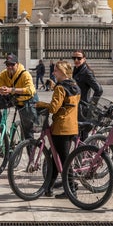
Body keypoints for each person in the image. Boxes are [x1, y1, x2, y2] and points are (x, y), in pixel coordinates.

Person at [36, 60, 80, 198]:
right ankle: (48, 187)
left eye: (55, 70)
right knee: (55, 157)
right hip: (72, 126)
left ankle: (71, 189)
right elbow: (68, 103)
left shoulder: (60, 88)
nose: (53, 72)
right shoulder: (74, 85)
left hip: (60, 127)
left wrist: (40, 104)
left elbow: (54, 108)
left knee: (64, 159)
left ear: (62, 72)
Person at [0, 54, 37, 141]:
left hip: (26, 100)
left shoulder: (25, 74)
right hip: (13, 98)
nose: (10, 67)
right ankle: (2, 129)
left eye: (12, 64)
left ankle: (31, 152)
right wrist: (0, 90)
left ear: (17, 64)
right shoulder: (4, 74)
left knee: (28, 132)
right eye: (8, 64)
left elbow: (31, 90)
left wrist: (12, 90)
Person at [72, 49, 103, 138]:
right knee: (77, 134)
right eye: (74, 58)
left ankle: (85, 151)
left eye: (79, 58)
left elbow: (99, 89)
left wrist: (92, 105)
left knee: (83, 135)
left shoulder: (86, 72)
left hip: (83, 107)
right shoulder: (76, 70)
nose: (76, 60)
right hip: (76, 106)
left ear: (84, 59)